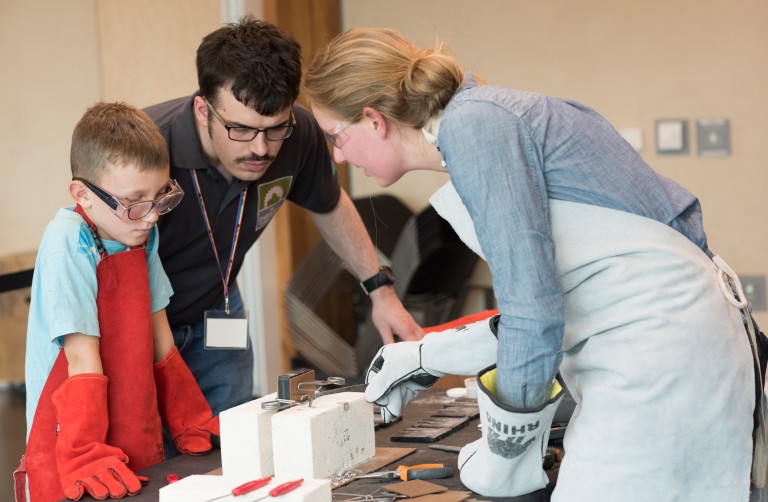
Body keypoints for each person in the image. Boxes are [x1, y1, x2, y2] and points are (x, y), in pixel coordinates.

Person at [304, 27, 768, 501]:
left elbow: (535, 314)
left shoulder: (474, 129)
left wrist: (506, 458)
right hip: (687, 342)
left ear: (373, 119)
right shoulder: (486, 114)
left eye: (334, 137)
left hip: (658, 364)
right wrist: (425, 357)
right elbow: (556, 298)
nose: (338, 156)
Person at [143, 17, 422, 435]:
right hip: (142, 321)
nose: (260, 148)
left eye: (275, 129)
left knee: (231, 441)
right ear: (204, 110)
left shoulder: (300, 133)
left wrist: (380, 291)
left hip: (217, 310)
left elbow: (329, 206)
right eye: (240, 129)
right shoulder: (149, 145)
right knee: (155, 454)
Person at [16, 102, 219, 502]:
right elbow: (81, 359)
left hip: (131, 415)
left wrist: (188, 417)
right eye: (134, 202)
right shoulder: (67, 241)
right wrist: (84, 451)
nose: (151, 217)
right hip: (70, 435)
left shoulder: (140, 235)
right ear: (83, 194)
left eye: (161, 196)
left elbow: (159, 334)